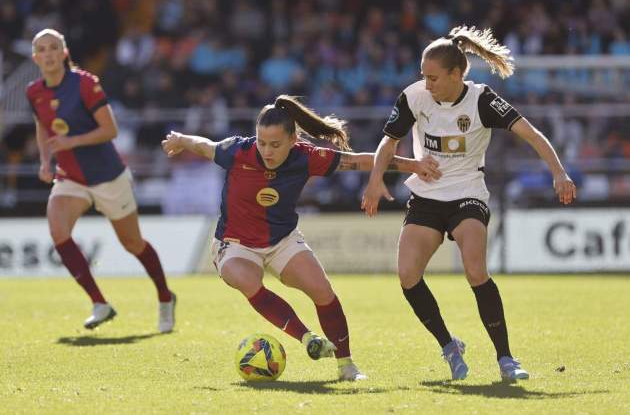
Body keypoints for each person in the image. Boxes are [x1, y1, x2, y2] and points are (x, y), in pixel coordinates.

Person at [161, 94, 440, 381]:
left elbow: (358, 161)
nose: (267, 151)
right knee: (246, 280)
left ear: (293, 141)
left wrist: (414, 165)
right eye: (262, 142)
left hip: (281, 240)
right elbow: (204, 146)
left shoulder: (307, 157)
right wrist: (181, 138)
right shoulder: (237, 151)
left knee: (322, 291)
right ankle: (308, 339)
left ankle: (346, 366)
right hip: (234, 244)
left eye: (275, 144)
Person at [362, 26, 577, 382]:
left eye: (433, 77)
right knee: (407, 275)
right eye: (423, 76)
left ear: (456, 74)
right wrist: (374, 181)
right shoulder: (414, 96)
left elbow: (531, 134)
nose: (426, 84)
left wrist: (559, 173)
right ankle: (449, 346)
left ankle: (506, 358)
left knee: (475, 271)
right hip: (427, 197)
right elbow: (389, 143)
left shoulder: (482, 100)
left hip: (467, 196)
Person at [26, 29, 176, 332]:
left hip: (108, 176)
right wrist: (45, 161)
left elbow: (111, 130)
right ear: (35, 57)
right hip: (70, 177)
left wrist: (72, 142)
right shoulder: (34, 92)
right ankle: (99, 303)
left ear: (64, 53)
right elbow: (43, 127)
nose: (48, 54)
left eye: (54, 47)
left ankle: (165, 296)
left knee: (132, 243)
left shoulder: (84, 84)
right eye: (42, 49)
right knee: (58, 231)